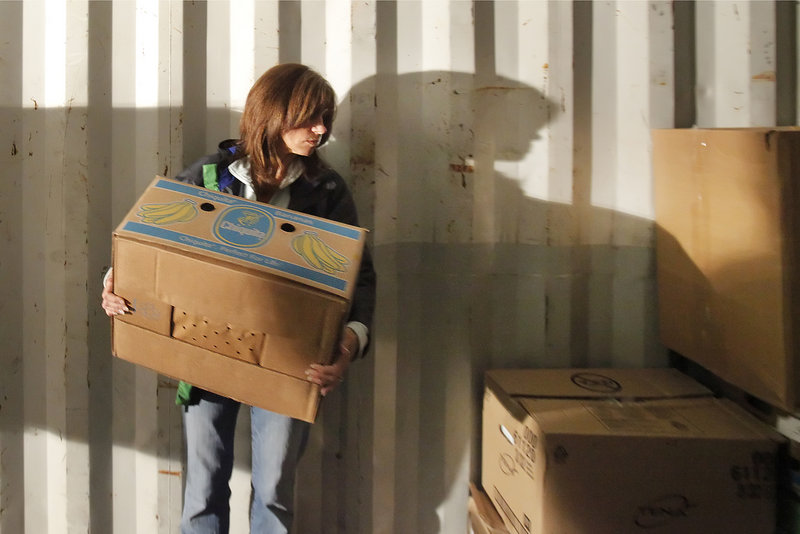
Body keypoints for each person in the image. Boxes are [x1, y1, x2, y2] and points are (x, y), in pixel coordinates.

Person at [101, 63, 376, 534]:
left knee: (273, 495)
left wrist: (348, 345)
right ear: (273, 113)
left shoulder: (326, 191)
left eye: (325, 118)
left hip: (290, 360)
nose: (322, 130)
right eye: (310, 117)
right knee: (203, 491)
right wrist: (117, 281)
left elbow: (360, 277)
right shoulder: (210, 178)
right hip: (205, 348)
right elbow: (152, 241)